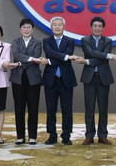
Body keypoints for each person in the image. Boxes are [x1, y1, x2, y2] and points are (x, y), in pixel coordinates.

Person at [80, 16, 116, 145]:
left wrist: (87, 61)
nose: (97, 28)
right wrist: (108, 55)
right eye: (95, 26)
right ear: (91, 27)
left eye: (100, 26)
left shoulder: (108, 41)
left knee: (103, 108)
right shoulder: (85, 40)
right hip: (89, 77)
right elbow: (91, 53)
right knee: (89, 108)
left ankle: (103, 135)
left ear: (103, 28)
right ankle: (89, 135)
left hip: (104, 78)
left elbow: (98, 58)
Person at [42, 16, 84, 145]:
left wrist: (49, 61)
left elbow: (53, 56)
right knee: (51, 108)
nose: (57, 26)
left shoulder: (70, 41)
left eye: (60, 24)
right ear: (51, 27)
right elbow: (50, 52)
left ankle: (66, 136)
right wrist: (66, 57)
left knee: (67, 108)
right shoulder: (46, 40)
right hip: (51, 79)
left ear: (64, 27)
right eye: (55, 24)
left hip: (66, 79)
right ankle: (52, 135)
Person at [11, 18, 45, 145]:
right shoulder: (16, 41)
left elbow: (36, 55)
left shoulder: (37, 43)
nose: (26, 29)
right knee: (19, 108)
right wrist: (31, 59)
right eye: (24, 27)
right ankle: (20, 136)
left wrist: (22, 61)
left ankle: (32, 137)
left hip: (33, 78)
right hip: (18, 78)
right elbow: (16, 55)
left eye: (28, 27)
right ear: (20, 29)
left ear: (33, 29)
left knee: (33, 107)